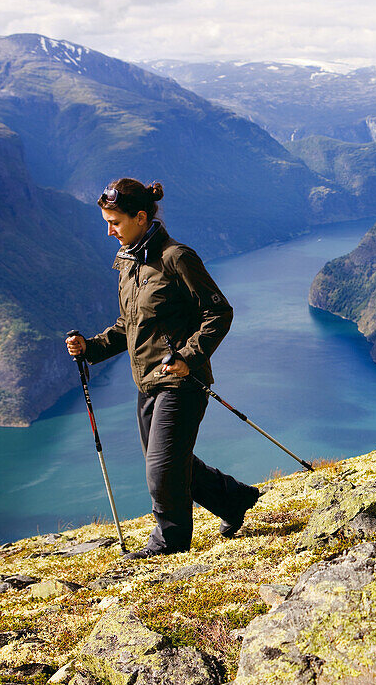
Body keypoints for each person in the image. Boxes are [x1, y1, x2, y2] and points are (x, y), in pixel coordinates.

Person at [66, 178, 259, 559]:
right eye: (107, 221)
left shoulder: (176, 257)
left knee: (162, 469)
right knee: (173, 463)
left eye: (115, 222)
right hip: (147, 384)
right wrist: (90, 348)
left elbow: (218, 311)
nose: (109, 231)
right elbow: (129, 326)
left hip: (182, 381)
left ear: (140, 217)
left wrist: (188, 356)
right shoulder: (128, 262)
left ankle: (169, 543)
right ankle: (234, 498)